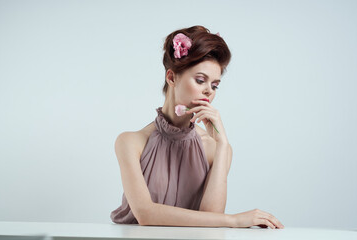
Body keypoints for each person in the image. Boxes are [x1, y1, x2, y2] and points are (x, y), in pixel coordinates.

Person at [110, 25, 284, 229]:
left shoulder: (215, 148)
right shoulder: (131, 142)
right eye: (201, 80)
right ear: (172, 77)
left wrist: (223, 145)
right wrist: (234, 220)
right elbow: (145, 214)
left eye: (215, 85)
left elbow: (209, 220)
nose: (209, 91)